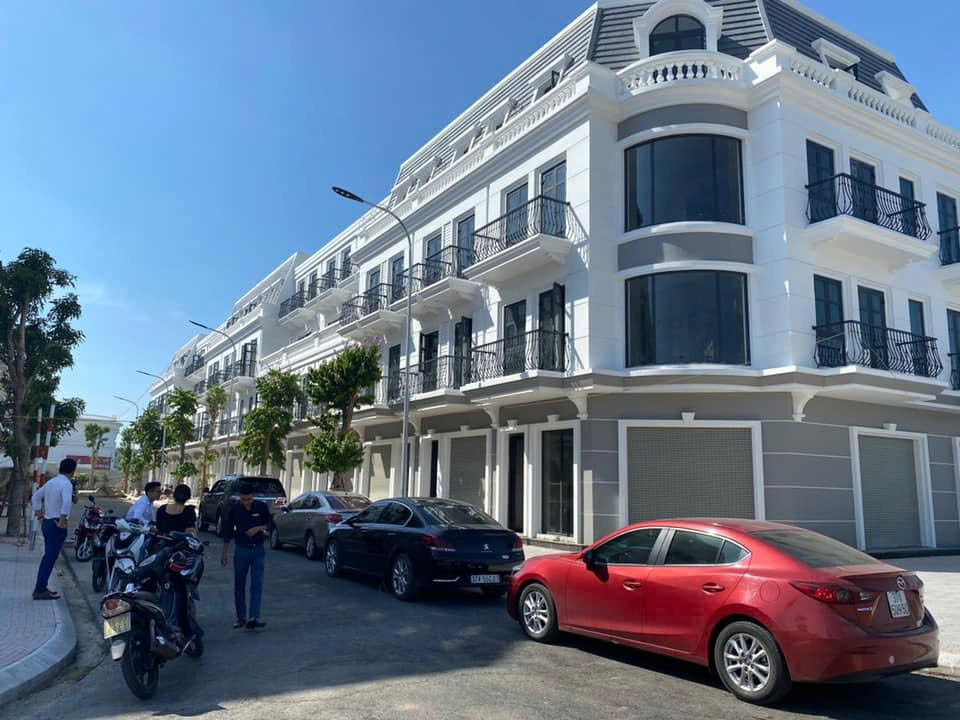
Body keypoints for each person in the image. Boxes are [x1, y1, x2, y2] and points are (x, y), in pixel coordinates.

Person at [220, 483, 274, 629]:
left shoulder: (261, 507)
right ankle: (241, 618)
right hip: (241, 550)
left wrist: (259, 528)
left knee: (256, 584)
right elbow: (227, 531)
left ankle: (254, 617)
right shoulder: (235, 510)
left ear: (253, 496)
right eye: (243, 499)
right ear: (240, 498)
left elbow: (270, 524)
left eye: (249, 499)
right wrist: (224, 553)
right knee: (239, 584)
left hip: (258, 550)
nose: (246, 502)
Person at [31, 458, 76, 600]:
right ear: (72, 471)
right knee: (50, 558)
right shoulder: (66, 484)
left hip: (47, 522)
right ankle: (39, 589)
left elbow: (35, 497)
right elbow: (67, 502)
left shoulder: (51, 482)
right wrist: (62, 521)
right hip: (57, 524)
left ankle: (42, 587)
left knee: (49, 557)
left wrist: (38, 512)